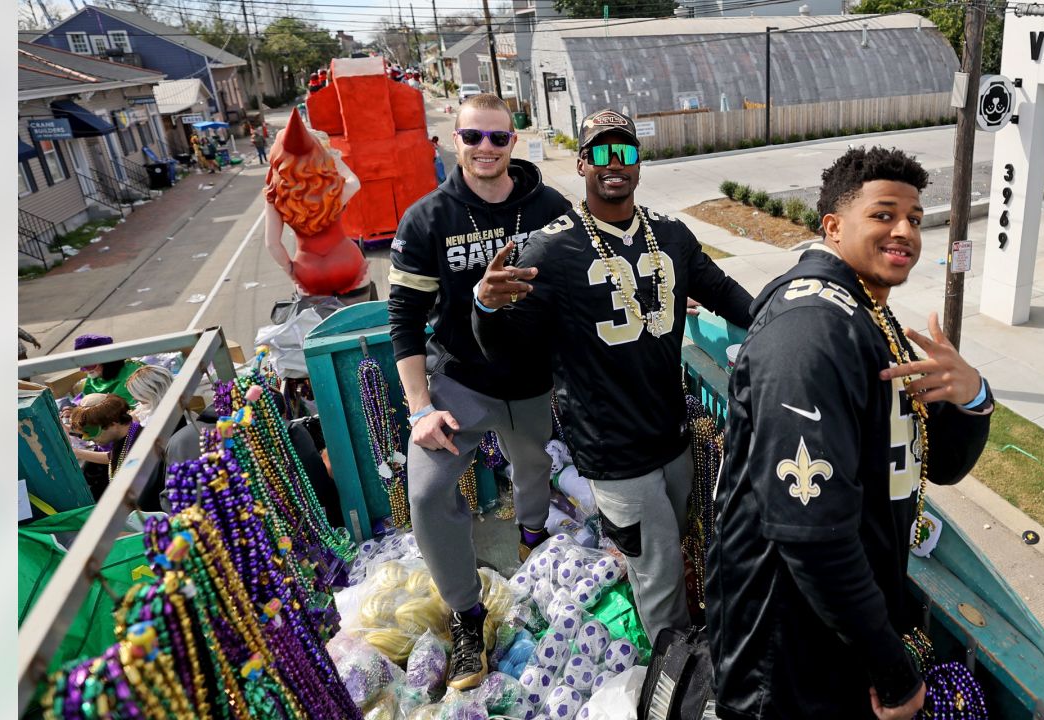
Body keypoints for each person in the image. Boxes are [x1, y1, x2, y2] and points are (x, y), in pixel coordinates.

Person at [704, 146, 995, 720]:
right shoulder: (812, 329)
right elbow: (810, 533)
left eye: (913, 217)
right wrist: (892, 669)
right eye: (884, 214)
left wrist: (973, 396)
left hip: (837, 627)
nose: (904, 230)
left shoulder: (870, 314)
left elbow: (940, 464)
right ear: (833, 227)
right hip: (785, 645)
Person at [473, 109, 754, 647]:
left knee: (672, 553)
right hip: (614, 452)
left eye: (625, 152)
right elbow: (504, 352)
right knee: (659, 575)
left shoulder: (670, 234)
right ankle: (674, 681)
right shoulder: (551, 248)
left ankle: (679, 653)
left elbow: (723, 292)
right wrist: (485, 306)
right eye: (601, 152)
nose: (614, 163)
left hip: (671, 434)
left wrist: (785, 313)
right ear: (581, 163)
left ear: (639, 164)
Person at [388, 92, 572, 690]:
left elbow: (588, 280)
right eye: (473, 137)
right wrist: (419, 409)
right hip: (459, 380)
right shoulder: (427, 219)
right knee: (427, 492)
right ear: (454, 141)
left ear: (514, 142)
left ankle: (532, 537)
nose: (485, 148)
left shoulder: (550, 206)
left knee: (533, 467)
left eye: (497, 138)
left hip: (531, 379)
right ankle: (467, 615)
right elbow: (404, 321)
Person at [263, 109, 373, 299]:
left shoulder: (275, 196)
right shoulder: (331, 190)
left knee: (318, 326)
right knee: (364, 324)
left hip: (308, 273)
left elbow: (272, 244)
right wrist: (334, 159)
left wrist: (291, 270)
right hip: (347, 264)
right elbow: (354, 183)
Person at [72, 334, 144, 408]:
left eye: (89, 365)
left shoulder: (132, 371)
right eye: (82, 365)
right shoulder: (94, 378)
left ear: (107, 361)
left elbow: (129, 406)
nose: (84, 370)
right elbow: (85, 401)